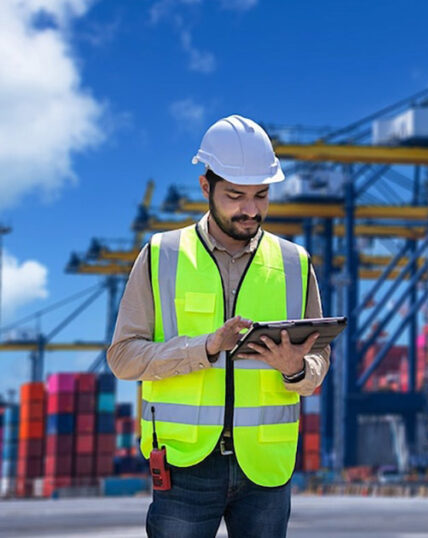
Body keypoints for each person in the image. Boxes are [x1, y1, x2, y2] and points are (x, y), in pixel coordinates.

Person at [108, 114, 330, 538]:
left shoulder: (294, 264)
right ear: (206, 187)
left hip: (265, 468)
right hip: (185, 465)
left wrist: (297, 370)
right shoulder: (161, 256)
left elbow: (318, 358)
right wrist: (206, 348)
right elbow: (122, 358)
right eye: (235, 196)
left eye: (261, 195)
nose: (250, 210)